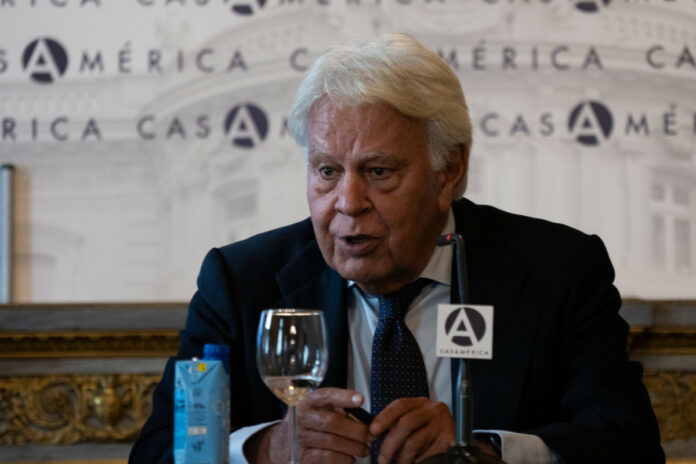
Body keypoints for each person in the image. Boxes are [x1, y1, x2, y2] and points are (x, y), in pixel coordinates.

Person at [130, 34, 664, 464]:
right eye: (326, 171)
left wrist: (483, 451)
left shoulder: (559, 271)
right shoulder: (241, 282)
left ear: (448, 169)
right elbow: (157, 453)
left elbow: (629, 445)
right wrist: (265, 449)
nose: (347, 203)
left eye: (379, 172)